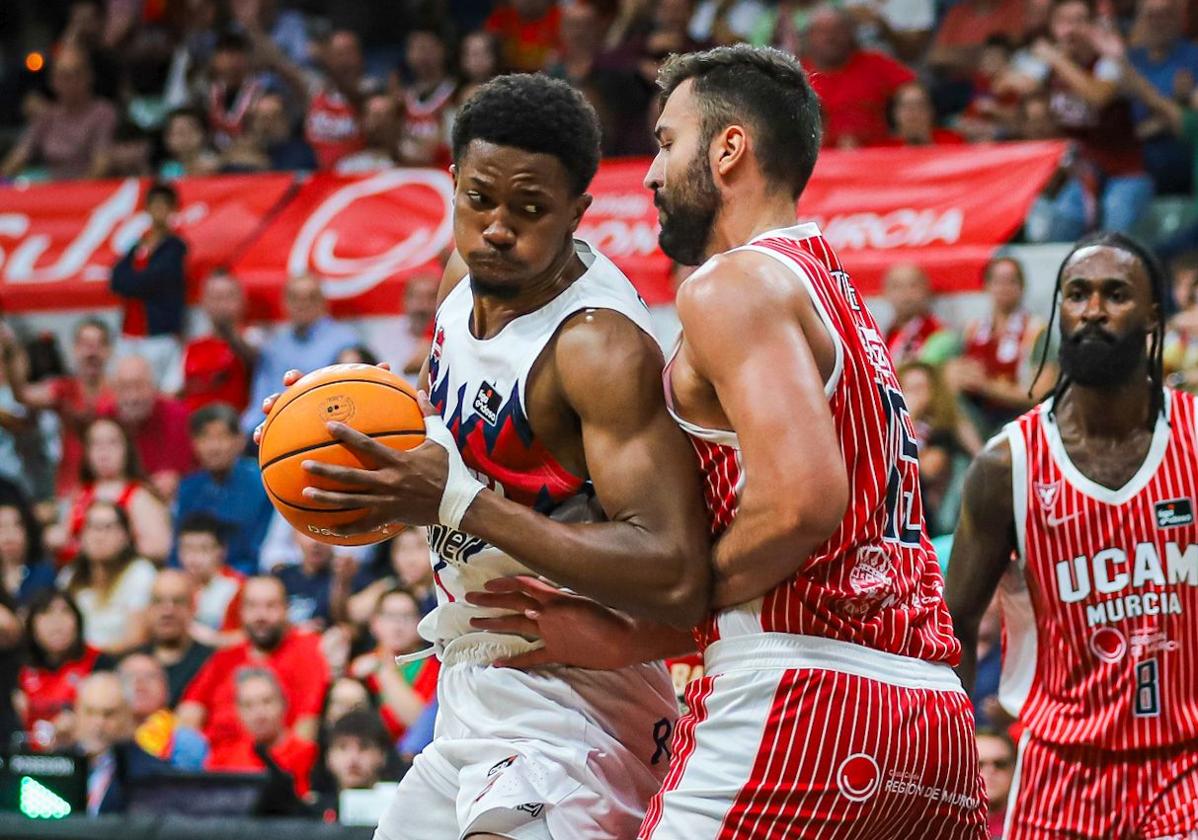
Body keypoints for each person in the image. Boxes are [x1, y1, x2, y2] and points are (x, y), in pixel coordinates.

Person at [480, 45, 988, 836]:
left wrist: (679, 592)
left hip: (801, 705)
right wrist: (632, 638)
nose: (650, 173)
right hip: (931, 723)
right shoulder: (835, 291)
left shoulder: (729, 285)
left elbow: (805, 506)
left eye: (666, 141)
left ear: (728, 149)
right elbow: (828, 554)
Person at [260, 74, 710, 839]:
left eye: (530, 210)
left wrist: (455, 503)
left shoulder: (597, 346)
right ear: (454, 185)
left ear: (577, 212)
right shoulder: (463, 279)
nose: (497, 227)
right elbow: (447, 438)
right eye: (479, 200)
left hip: (579, 699)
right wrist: (336, 424)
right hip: (471, 683)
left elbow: (675, 570)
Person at [947, 232, 1198, 837]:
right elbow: (953, 626)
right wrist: (950, 766)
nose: (1092, 309)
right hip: (1060, 770)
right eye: (1077, 293)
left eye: (1115, 295)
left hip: (1187, 761)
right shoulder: (1007, 465)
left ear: (1152, 315)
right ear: (1057, 309)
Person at [178, 576, 330, 752]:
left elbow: (306, 728)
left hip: (269, 767)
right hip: (213, 767)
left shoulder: (306, 651)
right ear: (241, 612)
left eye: (270, 606)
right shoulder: (225, 658)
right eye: (252, 606)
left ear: (286, 610)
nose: (261, 616)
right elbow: (190, 711)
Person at [241, 274, 358, 437]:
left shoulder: (345, 342)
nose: (302, 305)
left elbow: (351, 397)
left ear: (323, 303)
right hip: (270, 432)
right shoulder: (274, 346)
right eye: (295, 298)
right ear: (284, 303)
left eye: (311, 298)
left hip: (320, 432)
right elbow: (259, 402)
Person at [12, 317, 113, 499]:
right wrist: (11, 354)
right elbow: (22, 395)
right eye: (86, 344)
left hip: (112, 486)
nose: (92, 352)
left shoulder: (119, 392)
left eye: (99, 344)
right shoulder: (64, 389)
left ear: (109, 350)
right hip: (71, 489)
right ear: (74, 348)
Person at [47, 416, 170, 565]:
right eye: (95, 444)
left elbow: (159, 547)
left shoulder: (139, 495)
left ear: (127, 449)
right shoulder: (80, 494)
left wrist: (111, 549)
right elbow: (63, 537)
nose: (103, 451)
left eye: (112, 443)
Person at [950, 256, 1052, 433]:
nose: (1004, 288)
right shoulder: (972, 329)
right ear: (986, 286)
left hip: (1019, 415)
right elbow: (954, 374)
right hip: (978, 414)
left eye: (1011, 281)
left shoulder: (1037, 330)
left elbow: (1040, 393)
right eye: (997, 281)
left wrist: (986, 386)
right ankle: (978, 455)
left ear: (1021, 287)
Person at [174, 403, 272, 575]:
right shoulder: (188, 488)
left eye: (222, 437)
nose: (213, 447)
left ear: (240, 440)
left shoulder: (261, 483)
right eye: (204, 438)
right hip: (193, 579)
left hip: (246, 577)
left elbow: (260, 550)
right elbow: (176, 551)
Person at [800, 6, 916, 148]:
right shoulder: (795, 74)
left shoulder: (875, 64)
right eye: (822, 31)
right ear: (808, 37)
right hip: (818, 160)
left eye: (837, 30)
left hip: (878, 155)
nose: (830, 37)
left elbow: (914, 90)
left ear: (851, 34)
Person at [110, 182, 187, 391]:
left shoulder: (175, 247)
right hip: (129, 334)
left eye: (164, 206)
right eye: (155, 205)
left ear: (173, 210)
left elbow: (154, 280)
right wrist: (138, 282)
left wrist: (134, 282)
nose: (159, 211)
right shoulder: (137, 246)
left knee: (156, 390)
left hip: (158, 335)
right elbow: (116, 279)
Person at [0, 46, 117, 181]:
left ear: (89, 77)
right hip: (53, 189)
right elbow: (19, 155)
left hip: (89, 190)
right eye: (61, 76)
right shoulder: (47, 115)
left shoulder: (103, 113)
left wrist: (78, 191)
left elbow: (101, 163)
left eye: (74, 75)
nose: (67, 83)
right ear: (53, 80)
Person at [206, 668, 318, 799]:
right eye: (248, 705)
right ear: (238, 712)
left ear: (284, 703)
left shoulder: (311, 756)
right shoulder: (222, 760)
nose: (259, 714)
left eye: (267, 701)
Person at [63, 500, 158, 653]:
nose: (99, 536)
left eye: (108, 527)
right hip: (74, 666)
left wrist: (93, 660)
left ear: (126, 535)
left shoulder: (140, 572)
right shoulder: (70, 574)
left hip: (119, 662)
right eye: (92, 527)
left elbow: (137, 638)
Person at [348, 587, 439, 743]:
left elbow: (420, 725)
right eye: (390, 616)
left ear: (420, 623)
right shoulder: (360, 667)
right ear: (374, 623)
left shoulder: (432, 668)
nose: (398, 625)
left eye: (406, 616)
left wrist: (383, 669)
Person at [74, 671, 171, 815]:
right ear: (77, 712)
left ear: (128, 716)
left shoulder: (153, 775)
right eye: (90, 712)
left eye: (109, 714)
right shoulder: (55, 764)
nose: (98, 723)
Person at [100, 355, 195, 500]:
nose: (133, 397)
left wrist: (179, 480)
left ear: (153, 387)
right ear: (112, 390)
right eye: (124, 387)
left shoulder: (179, 416)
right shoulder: (104, 418)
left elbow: (197, 472)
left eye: (139, 386)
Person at [18, 589, 101, 751]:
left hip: (82, 755)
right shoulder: (18, 669)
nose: (57, 622)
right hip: (26, 760)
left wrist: (78, 722)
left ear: (78, 621)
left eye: (65, 612)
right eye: (46, 613)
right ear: (31, 625)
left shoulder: (98, 662)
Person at [180, 269, 260, 414]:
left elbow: (255, 363)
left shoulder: (254, 338)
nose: (222, 304)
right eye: (216, 297)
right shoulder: (192, 348)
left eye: (228, 297)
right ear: (203, 302)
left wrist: (231, 335)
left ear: (242, 300)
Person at [136, 569, 215, 706]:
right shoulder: (132, 662)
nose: (167, 611)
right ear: (148, 609)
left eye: (178, 601)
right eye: (158, 601)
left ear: (192, 608)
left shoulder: (211, 664)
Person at [117, 653, 209, 769]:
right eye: (129, 677)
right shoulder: (107, 737)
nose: (139, 683)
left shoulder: (184, 741)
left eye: (150, 676)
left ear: (166, 689)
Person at [883, 262, 954, 365]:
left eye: (913, 285)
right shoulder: (881, 336)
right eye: (896, 286)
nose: (905, 293)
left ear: (927, 290)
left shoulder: (940, 335)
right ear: (885, 292)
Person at [0, 492, 56, 607]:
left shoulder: (45, 574)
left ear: (28, 532)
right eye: (1, 526)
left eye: (17, 525)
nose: (9, 534)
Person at [883, 80, 967, 146]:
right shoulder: (883, 150)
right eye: (905, 106)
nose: (913, 111)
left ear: (931, 110)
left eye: (920, 105)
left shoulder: (952, 141)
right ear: (894, 113)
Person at [158, 107, 220, 180]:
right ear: (167, 139)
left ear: (204, 134)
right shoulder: (164, 171)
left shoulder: (217, 164)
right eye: (179, 132)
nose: (185, 137)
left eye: (190, 130)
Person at [975, 728, 1016, 837]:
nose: (989, 772)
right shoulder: (943, 824)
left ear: (1015, 769)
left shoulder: (1029, 827)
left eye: (1000, 764)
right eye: (978, 765)